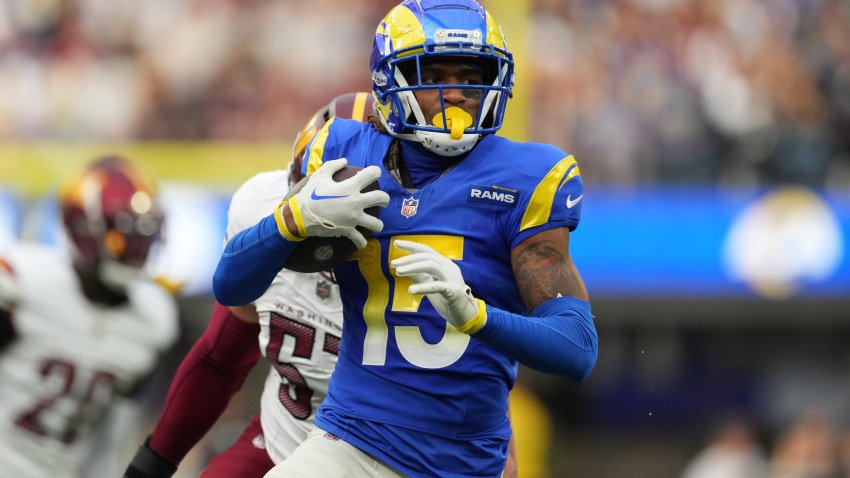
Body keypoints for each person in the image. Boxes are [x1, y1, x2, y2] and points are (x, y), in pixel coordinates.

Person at [214, 1, 598, 476]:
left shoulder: (526, 178)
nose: (457, 93)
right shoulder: (340, 152)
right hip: (349, 442)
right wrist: (294, 218)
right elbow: (230, 285)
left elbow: (578, 348)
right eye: (435, 73)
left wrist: (476, 315)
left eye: (471, 74)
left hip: (461, 462)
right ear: (389, 82)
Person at [0, 156, 178, 478]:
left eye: (142, 235)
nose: (133, 248)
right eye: (120, 234)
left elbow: (112, 433)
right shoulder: (23, 283)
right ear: (83, 227)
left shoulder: (154, 320)